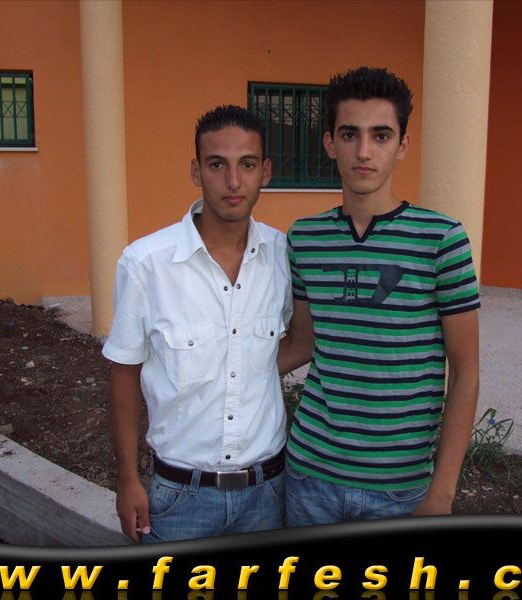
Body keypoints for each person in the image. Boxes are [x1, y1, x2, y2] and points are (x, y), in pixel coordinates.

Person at [278, 67, 480, 525]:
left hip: (400, 490)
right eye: (349, 134)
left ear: (402, 145)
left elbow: (465, 372)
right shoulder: (305, 238)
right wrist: (216, 376)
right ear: (330, 143)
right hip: (310, 477)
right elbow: (302, 344)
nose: (364, 151)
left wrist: (443, 492)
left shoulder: (441, 239)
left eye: (381, 135)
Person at [102, 105, 292, 543]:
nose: (233, 181)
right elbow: (124, 371)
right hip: (178, 499)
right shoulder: (146, 264)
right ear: (196, 170)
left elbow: (296, 341)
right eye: (217, 164)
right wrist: (127, 478)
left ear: (265, 171)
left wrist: (246, 366)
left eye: (247, 165)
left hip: (267, 495)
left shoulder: (282, 256)